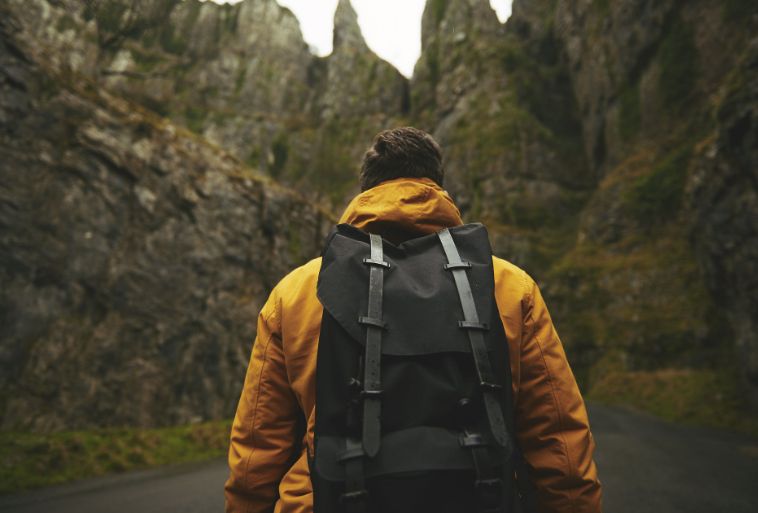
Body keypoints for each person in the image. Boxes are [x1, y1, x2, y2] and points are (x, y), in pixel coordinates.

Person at [224, 127, 602, 513]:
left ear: (366, 189)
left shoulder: (297, 293)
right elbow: (560, 444)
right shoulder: (507, 285)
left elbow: (257, 455)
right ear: (436, 186)